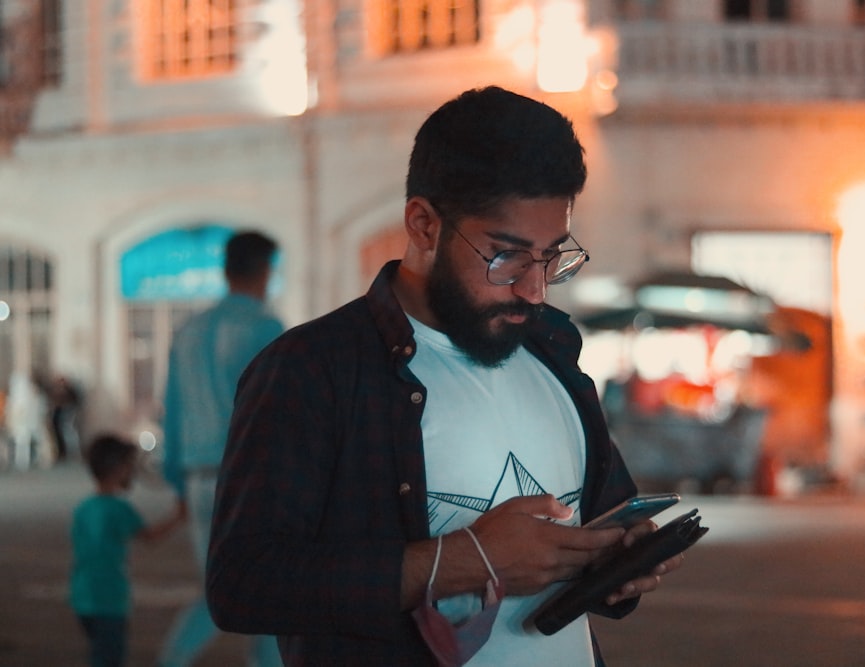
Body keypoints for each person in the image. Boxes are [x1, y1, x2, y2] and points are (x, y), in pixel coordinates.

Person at [206, 86, 684, 666]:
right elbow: (243, 584)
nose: (534, 289)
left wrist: (618, 561)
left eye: (552, 256)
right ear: (423, 224)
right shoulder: (312, 370)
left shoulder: (554, 347)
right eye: (505, 255)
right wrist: (462, 560)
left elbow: (604, 517)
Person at [158, 231, 285, 667]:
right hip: (252, 481)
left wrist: (176, 484)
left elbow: (171, 413)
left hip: (199, 481)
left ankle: (172, 659)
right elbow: (280, 414)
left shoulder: (188, 332)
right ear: (266, 271)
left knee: (225, 586)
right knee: (263, 588)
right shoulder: (266, 328)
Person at [69, 433, 187, 667]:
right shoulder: (118, 509)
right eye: (129, 466)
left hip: (82, 596)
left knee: (99, 653)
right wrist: (180, 516)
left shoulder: (84, 508)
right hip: (109, 599)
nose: (132, 472)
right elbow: (150, 537)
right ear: (118, 469)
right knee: (109, 657)